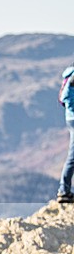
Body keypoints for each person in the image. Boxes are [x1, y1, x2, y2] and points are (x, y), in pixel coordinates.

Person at [57, 63, 74, 203]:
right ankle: (64, 191)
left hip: (70, 117)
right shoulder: (73, 76)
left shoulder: (69, 74)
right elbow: (66, 97)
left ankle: (65, 190)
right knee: (73, 156)